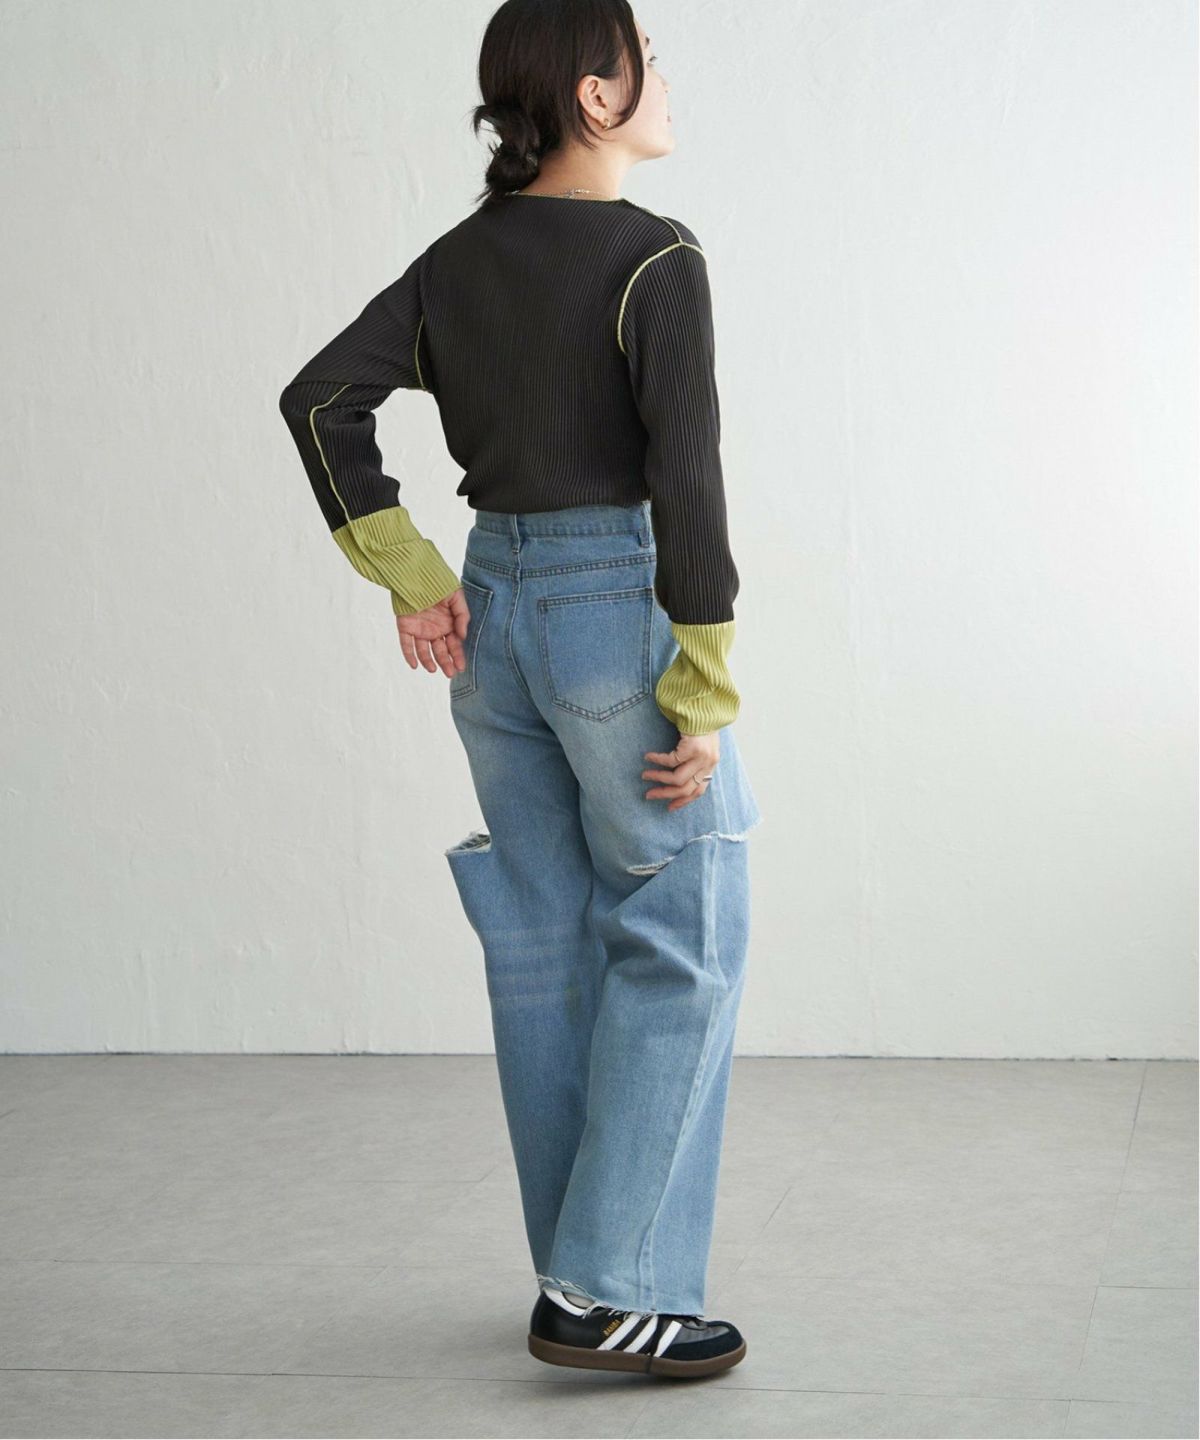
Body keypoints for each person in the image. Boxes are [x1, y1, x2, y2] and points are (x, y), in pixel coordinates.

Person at [278, 0, 761, 1380]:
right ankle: (607, 1289)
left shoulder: (457, 261)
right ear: (596, 97)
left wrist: (411, 572)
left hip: (494, 619)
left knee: (548, 943)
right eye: (648, 57)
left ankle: (577, 1278)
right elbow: (686, 475)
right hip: (616, 622)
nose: (664, 74)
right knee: (682, 926)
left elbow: (319, 400)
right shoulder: (654, 255)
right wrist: (703, 679)